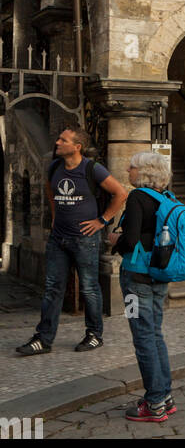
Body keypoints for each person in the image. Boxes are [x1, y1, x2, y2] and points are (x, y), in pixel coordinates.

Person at [16, 126, 127, 356]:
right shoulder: (55, 166)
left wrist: (102, 221)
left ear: (77, 147)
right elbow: (50, 188)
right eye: (58, 138)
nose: (57, 142)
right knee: (52, 288)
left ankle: (95, 335)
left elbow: (120, 193)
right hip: (59, 238)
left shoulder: (92, 169)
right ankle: (43, 339)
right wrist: (55, 216)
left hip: (85, 239)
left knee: (89, 288)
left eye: (63, 140)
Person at [107, 151, 176, 423]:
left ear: (144, 172)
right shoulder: (167, 198)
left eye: (132, 167)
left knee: (142, 337)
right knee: (155, 334)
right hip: (159, 275)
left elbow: (132, 239)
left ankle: (155, 403)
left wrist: (115, 239)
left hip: (136, 278)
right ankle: (165, 395)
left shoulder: (137, 198)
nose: (128, 169)